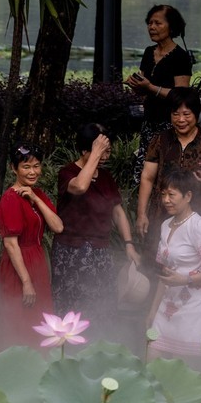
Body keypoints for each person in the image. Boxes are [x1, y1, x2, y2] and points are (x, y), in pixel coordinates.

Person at [52, 124, 142, 320]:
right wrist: (95, 154)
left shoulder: (107, 177)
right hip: (71, 253)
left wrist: (129, 245)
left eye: (108, 152)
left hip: (100, 250)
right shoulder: (67, 172)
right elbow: (80, 186)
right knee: (74, 309)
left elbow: (118, 213)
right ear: (85, 150)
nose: (105, 157)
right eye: (102, 152)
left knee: (102, 306)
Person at [136, 88, 201, 257]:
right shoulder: (160, 140)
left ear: (197, 115)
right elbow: (147, 177)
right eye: (175, 114)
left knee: (195, 261)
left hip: (198, 214)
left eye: (187, 114)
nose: (181, 120)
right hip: (161, 211)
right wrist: (141, 214)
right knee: (157, 262)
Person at [148, 169, 201, 364]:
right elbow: (164, 273)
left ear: (188, 196)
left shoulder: (199, 226)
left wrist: (186, 279)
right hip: (167, 304)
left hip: (194, 307)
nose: (166, 200)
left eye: (172, 194)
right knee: (152, 355)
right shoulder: (165, 225)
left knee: (186, 368)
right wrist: (153, 309)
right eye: (163, 194)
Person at [0, 145, 64, 350]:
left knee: (40, 318)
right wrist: (26, 281)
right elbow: (10, 243)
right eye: (26, 167)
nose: (33, 171)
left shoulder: (38, 194)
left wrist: (35, 198)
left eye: (36, 166)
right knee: (20, 319)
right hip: (19, 264)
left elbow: (58, 226)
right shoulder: (10, 198)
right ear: (14, 168)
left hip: (37, 259)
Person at [125, 4, 192, 186]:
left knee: (166, 174)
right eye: (150, 23)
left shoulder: (180, 57)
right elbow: (144, 88)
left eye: (157, 23)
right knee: (143, 175)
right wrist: (136, 85)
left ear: (171, 27)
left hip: (169, 124)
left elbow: (181, 95)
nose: (152, 27)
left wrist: (151, 87)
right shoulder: (148, 52)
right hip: (149, 121)